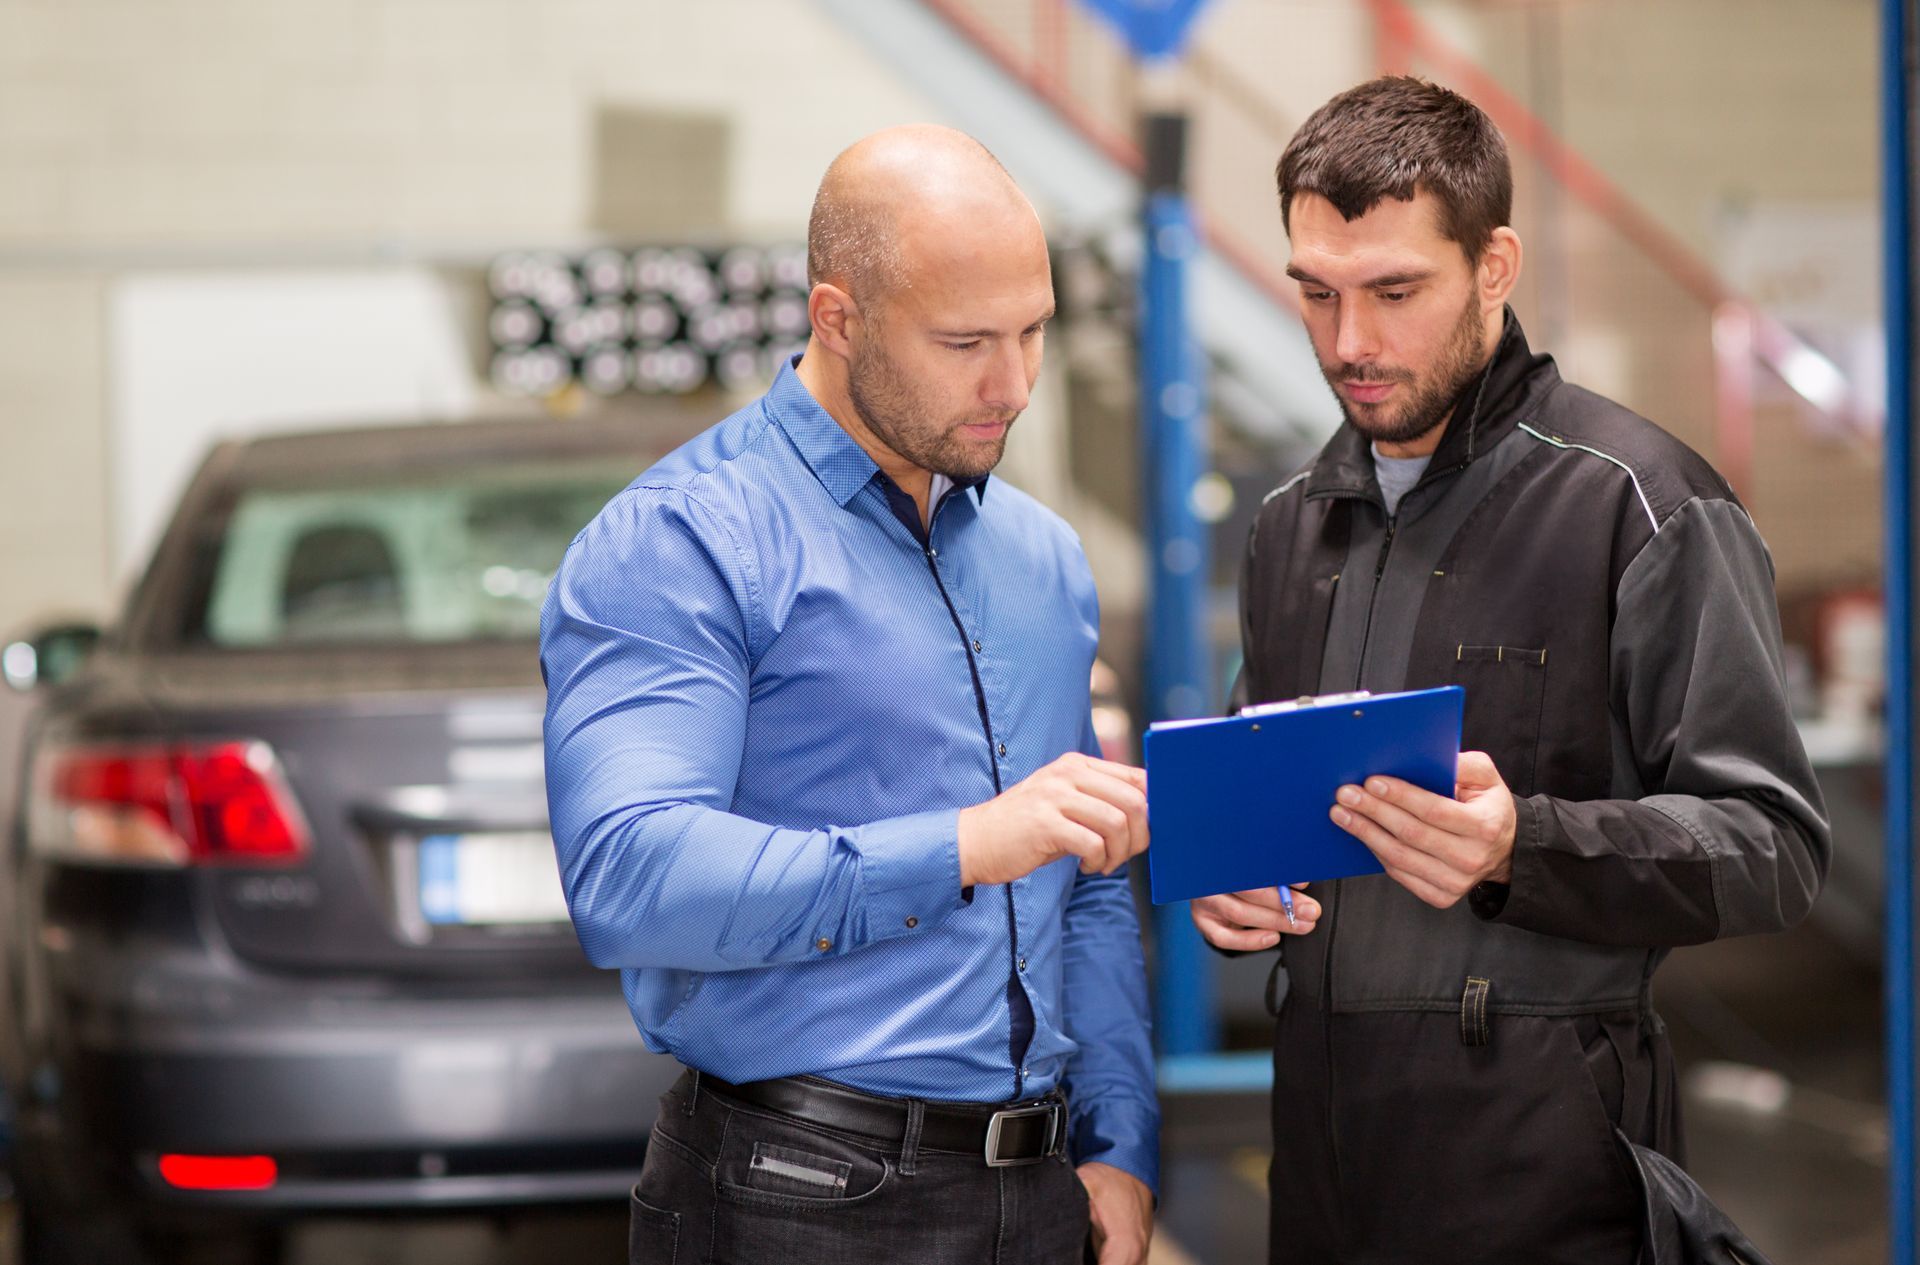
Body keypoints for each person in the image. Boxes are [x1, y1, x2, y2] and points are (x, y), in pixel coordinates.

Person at [1191, 77, 1829, 1263]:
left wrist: (1520, 843)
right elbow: (1265, 793)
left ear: (1496, 265)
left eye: (1395, 292)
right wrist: (1235, 888)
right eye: (1316, 294)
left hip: (1548, 1166)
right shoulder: (1290, 526)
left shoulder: (1640, 504)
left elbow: (1773, 845)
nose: (1350, 343)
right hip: (1325, 1165)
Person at [541, 124, 1158, 1265]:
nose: (1013, 385)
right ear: (838, 317)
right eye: (965, 341)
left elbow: (1091, 874)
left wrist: (1120, 1138)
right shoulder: (683, 541)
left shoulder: (1045, 560)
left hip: (1040, 1194)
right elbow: (630, 872)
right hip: (797, 1196)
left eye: (1033, 333)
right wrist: (961, 844)